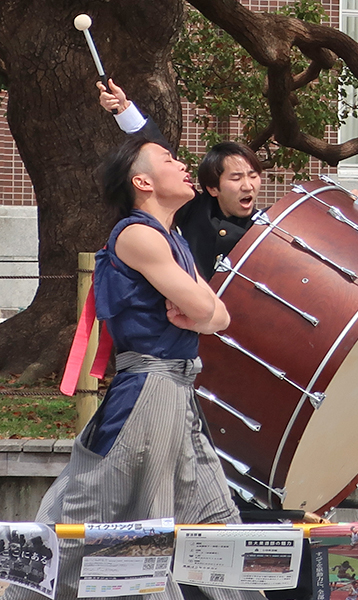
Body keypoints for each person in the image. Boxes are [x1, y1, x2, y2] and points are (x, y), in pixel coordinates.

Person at [7, 135, 263, 600]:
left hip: (177, 389)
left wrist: (204, 311)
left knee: (213, 520)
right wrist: (203, 311)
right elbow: (202, 307)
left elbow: (219, 315)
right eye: (169, 159)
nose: (183, 164)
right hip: (147, 390)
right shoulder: (137, 234)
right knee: (101, 515)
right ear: (142, 181)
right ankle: (27, 592)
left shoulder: (175, 238)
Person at [98, 79, 264, 281]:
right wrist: (125, 110)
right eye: (236, 178)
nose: (247, 186)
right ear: (213, 188)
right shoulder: (194, 209)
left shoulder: (266, 229)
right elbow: (158, 155)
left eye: (253, 176)